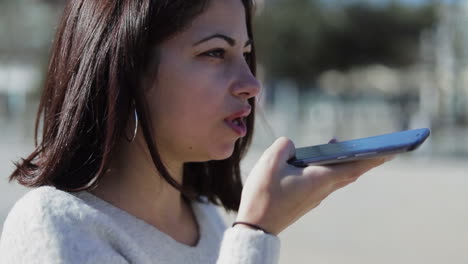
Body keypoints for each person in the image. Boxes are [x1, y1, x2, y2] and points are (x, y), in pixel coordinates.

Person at [0, 0, 391, 263]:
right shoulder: (53, 223)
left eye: (246, 53)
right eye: (215, 53)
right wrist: (256, 232)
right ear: (125, 72)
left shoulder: (206, 221)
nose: (250, 83)